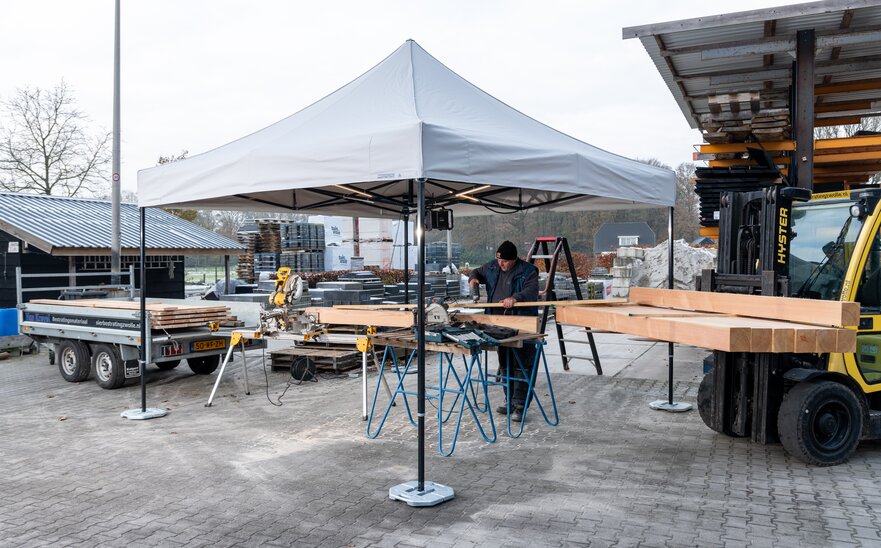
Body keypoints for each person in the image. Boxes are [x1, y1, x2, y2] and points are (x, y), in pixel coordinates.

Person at [468, 241, 539, 422]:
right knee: (505, 363)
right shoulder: (492, 267)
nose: (501, 264)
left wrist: (515, 298)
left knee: (521, 365)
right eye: (499, 260)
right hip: (497, 325)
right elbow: (476, 271)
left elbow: (531, 291)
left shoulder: (528, 271)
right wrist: (473, 278)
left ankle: (520, 405)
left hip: (521, 324)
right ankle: (509, 401)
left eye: (505, 261)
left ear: (514, 259)